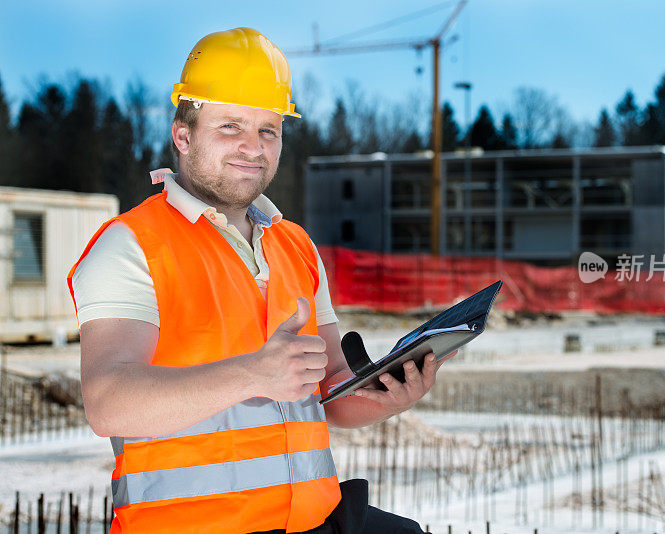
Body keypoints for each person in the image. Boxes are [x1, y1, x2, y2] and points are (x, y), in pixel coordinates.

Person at [67, 27, 454, 534]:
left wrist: (384, 395)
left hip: (314, 520)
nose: (253, 147)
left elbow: (331, 389)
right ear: (183, 136)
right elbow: (108, 402)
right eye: (231, 126)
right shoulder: (132, 245)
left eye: (268, 130)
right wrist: (252, 374)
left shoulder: (295, 245)